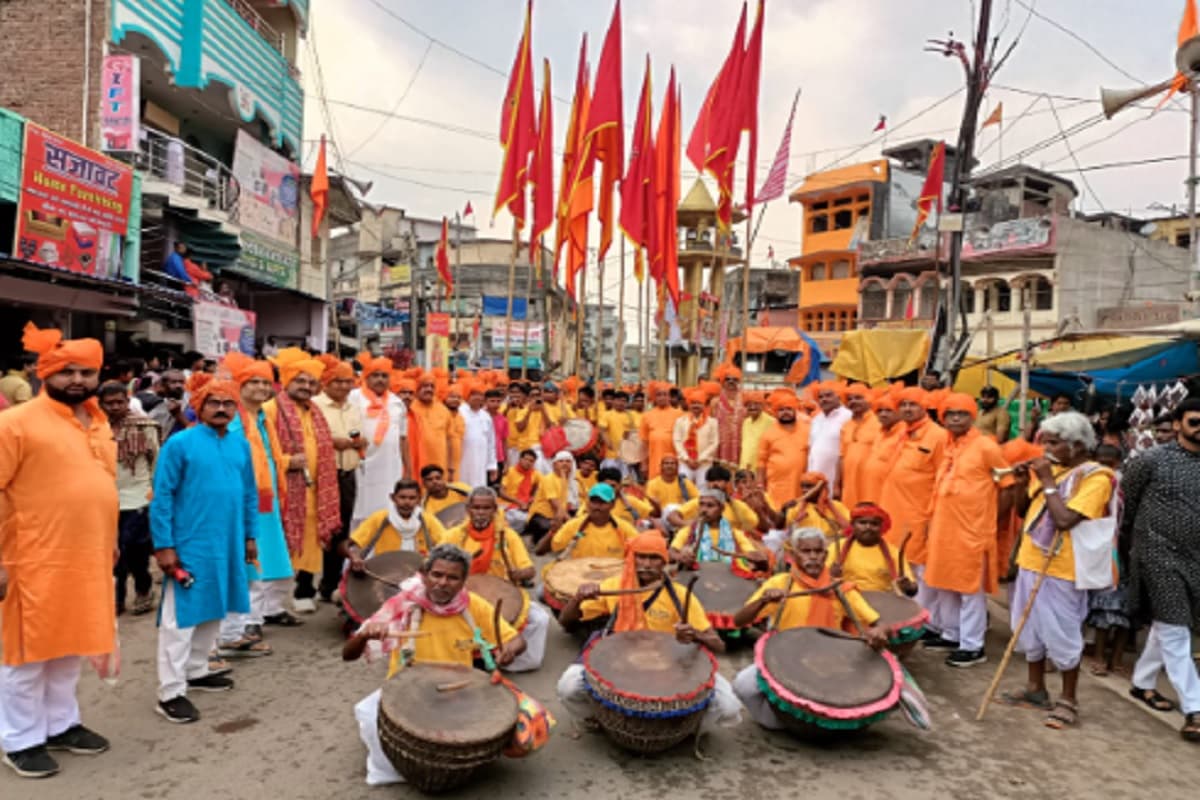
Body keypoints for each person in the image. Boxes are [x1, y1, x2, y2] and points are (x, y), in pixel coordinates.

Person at [0, 324, 115, 778]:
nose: (77, 380)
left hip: (87, 556)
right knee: (26, 655)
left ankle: (61, 724)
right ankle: (20, 739)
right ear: (43, 372)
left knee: (71, 647)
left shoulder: (99, 421)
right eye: (66, 371)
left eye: (86, 372)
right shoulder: (15, 423)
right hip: (29, 557)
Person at [344, 544, 525, 786]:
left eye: (452, 577)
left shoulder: (474, 605)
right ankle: (390, 770)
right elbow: (348, 655)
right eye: (437, 575)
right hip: (407, 689)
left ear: (463, 582)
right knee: (367, 713)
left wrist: (509, 650)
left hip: (460, 691)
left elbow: (517, 640)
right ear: (425, 575)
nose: (442, 583)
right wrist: (364, 636)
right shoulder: (404, 604)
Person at [555, 531, 742, 733]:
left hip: (669, 665)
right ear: (631, 559)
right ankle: (598, 719)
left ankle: (687, 730)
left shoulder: (680, 595)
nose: (646, 563)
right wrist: (578, 598)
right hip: (619, 660)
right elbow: (565, 622)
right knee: (568, 687)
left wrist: (694, 635)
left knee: (729, 707)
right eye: (641, 556)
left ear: (664, 562)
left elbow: (719, 645)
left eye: (653, 558)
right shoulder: (614, 586)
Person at [150, 378, 258, 724]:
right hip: (189, 544)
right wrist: (164, 546)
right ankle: (170, 691)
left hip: (227, 542)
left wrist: (250, 536)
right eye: (214, 403)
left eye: (228, 404)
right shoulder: (180, 444)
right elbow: (162, 496)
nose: (222, 409)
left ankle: (196, 670)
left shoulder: (240, 445)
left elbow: (248, 494)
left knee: (216, 606)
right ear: (199, 406)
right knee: (180, 618)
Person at [1001, 411, 1114, 729]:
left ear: (1077, 445)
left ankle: (1069, 699)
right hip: (1031, 561)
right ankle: (1035, 690)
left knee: (1062, 634)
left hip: (1062, 567)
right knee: (1029, 628)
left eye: (1053, 443)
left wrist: (1048, 481)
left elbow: (1065, 520)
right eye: (1044, 442)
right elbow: (1026, 514)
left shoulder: (1097, 477)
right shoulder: (1053, 471)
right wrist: (1024, 485)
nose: (1045, 449)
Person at [731, 527, 887, 730]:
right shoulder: (780, 583)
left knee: (885, 694)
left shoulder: (840, 588)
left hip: (832, 660)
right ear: (794, 555)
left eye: (817, 551)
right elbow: (739, 621)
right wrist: (762, 600)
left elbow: (878, 622)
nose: (812, 557)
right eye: (806, 551)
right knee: (743, 685)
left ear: (826, 554)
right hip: (785, 658)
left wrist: (880, 631)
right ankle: (778, 722)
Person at [1125, 398, 1200, 742]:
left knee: (1169, 624)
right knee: (1175, 628)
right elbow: (1130, 502)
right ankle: (1195, 709)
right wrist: (1133, 546)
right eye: (1195, 421)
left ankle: (1142, 683)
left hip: (1195, 558)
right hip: (1157, 553)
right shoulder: (1152, 459)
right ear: (1179, 422)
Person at [216, 354, 298, 655]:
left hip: (264, 501)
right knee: (244, 565)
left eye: (266, 382)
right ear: (240, 385)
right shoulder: (233, 420)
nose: (262, 388)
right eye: (255, 382)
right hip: (241, 503)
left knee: (258, 564)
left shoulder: (262, 418)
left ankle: (246, 625)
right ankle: (231, 633)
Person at [922, 393, 1010, 668]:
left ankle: (973, 645)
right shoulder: (948, 446)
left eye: (961, 414)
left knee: (969, 589)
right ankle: (951, 634)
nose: (956, 418)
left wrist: (993, 522)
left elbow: (1008, 484)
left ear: (972, 417)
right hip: (944, 530)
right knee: (944, 584)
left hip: (973, 531)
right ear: (943, 418)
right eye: (950, 414)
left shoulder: (986, 446)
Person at [265, 349, 341, 613]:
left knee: (310, 545)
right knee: (279, 547)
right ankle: (266, 609)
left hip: (314, 492)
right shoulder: (271, 409)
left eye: (311, 382)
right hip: (283, 493)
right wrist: (286, 462)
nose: (306, 387)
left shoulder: (315, 412)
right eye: (300, 381)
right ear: (287, 381)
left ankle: (301, 592)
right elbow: (261, 453)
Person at [442, 488, 548, 672]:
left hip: (503, 595)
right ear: (468, 509)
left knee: (540, 619)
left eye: (486, 508)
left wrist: (519, 574)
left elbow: (529, 570)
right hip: (460, 595)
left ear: (495, 510)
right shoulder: (453, 536)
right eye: (476, 508)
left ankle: (511, 661)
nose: (480, 512)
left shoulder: (508, 536)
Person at [878, 387, 948, 606]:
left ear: (924, 406)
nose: (907, 409)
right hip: (893, 512)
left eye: (913, 404)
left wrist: (933, 517)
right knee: (898, 565)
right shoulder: (902, 433)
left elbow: (941, 479)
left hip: (919, 514)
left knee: (919, 569)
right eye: (903, 405)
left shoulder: (938, 436)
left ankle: (923, 619)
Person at [99, 382, 160, 616]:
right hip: (105, 499)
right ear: (100, 405)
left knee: (135, 550)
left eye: (120, 402)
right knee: (112, 553)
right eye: (110, 403)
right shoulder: (94, 428)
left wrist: (155, 494)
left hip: (137, 498)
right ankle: (117, 598)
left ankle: (143, 589)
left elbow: (156, 461)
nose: (115, 407)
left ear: (128, 401)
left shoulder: (146, 427)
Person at [313, 358, 365, 603]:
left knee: (341, 531)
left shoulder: (352, 407)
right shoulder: (314, 406)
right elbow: (310, 437)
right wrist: (334, 442)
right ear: (326, 383)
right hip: (324, 475)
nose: (344, 386)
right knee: (317, 531)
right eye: (339, 381)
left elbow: (359, 434)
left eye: (348, 382)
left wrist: (359, 442)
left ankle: (330, 585)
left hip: (347, 475)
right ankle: (304, 585)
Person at [345, 355, 404, 531]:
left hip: (389, 467)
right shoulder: (353, 398)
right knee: (359, 510)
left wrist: (406, 468)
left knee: (386, 509)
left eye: (384, 376)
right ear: (366, 377)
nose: (380, 379)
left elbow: (403, 438)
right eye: (375, 375)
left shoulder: (397, 402)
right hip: (360, 466)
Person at [343, 479, 447, 564]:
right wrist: (355, 557)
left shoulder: (428, 520)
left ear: (419, 500)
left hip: (419, 573)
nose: (407, 502)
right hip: (385, 573)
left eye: (412, 498)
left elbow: (447, 543)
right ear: (393, 498)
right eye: (402, 497)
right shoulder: (379, 518)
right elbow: (348, 544)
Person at [669, 489, 770, 574]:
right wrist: (681, 557)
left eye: (710, 506)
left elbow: (751, 553)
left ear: (721, 508)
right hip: (698, 578)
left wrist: (754, 557)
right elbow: (672, 552)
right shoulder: (689, 531)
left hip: (728, 580)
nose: (704, 510)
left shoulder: (735, 534)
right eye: (701, 505)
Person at [830, 504, 917, 594]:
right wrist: (830, 575)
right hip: (845, 598)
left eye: (874, 524)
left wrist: (907, 586)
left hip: (882, 602)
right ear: (852, 525)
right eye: (863, 523)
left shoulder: (893, 552)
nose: (868, 527)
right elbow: (818, 579)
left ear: (881, 527)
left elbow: (912, 589)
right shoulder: (837, 547)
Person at [546, 484, 639, 561]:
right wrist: (552, 532)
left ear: (613, 505)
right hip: (580, 576)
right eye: (594, 502)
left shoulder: (624, 528)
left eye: (603, 502)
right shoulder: (574, 525)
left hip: (613, 577)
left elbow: (640, 551)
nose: (597, 506)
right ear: (587, 503)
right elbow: (541, 550)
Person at [757, 389, 812, 507]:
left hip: (801, 483)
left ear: (795, 410)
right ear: (775, 412)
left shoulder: (808, 430)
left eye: (788, 409)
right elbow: (761, 461)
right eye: (781, 410)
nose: (785, 412)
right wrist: (760, 483)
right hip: (777, 484)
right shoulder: (768, 433)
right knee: (778, 512)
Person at [407, 373, 458, 481]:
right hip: (416, 464)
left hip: (439, 465)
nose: (429, 389)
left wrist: (451, 468)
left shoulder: (443, 410)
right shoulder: (410, 408)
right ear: (417, 388)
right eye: (425, 386)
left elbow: (450, 440)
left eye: (431, 386)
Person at [837, 383, 879, 508]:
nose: (853, 401)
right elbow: (842, 456)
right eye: (849, 399)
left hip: (871, 483)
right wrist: (838, 484)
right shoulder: (846, 425)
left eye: (858, 398)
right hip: (849, 483)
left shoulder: (879, 423)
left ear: (869, 399)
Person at [525, 451, 579, 547]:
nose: (565, 464)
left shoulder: (568, 480)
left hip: (558, 515)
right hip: (540, 516)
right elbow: (556, 505)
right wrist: (571, 523)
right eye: (561, 461)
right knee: (550, 527)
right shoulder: (548, 479)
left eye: (568, 461)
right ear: (554, 465)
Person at [807, 381, 852, 489]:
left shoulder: (848, 417)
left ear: (838, 396)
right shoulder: (816, 419)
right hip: (814, 479)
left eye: (828, 395)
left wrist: (839, 483)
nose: (824, 399)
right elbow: (811, 450)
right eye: (820, 397)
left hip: (836, 480)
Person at [673, 387, 719, 488]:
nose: (696, 406)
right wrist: (686, 459)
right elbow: (677, 441)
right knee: (684, 488)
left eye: (699, 403)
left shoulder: (712, 422)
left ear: (704, 405)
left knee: (703, 489)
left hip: (704, 463)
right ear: (689, 404)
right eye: (693, 403)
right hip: (685, 462)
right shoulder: (680, 421)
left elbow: (714, 443)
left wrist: (699, 460)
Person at [638, 381, 683, 480]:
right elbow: (644, 442)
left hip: (675, 459)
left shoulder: (680, 414)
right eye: (659, 395)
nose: (662, 397)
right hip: (654, 459)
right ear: (654, 398)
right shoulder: (647, 415)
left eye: (665, 394)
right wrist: (644, 463)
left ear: (669, 397)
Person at [458, 381, 497, 488]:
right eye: (474, 394)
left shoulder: (485, 416)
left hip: (481, 463)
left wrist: (492, 465)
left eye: (480, 394)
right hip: (462, 461)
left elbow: (491, 443)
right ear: (467, 395)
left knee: (478, 489)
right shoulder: (459, 413)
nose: (477, 397)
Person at [644, 455, 698, 520]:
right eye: (666, 463)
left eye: (672, 463)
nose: (669, 466)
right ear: (661, 466)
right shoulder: (652, 483)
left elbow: (697, 499)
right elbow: (648, 506)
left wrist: (686, 506)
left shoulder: (684, 482)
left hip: (680, 514)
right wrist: (656, 506)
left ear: (677, 467)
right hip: (661, 516)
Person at [499, 449, 541, 533]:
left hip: (525, 506)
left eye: (531, 461)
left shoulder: (535, 474)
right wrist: (518, 502)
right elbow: (501, 492)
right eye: (525, 459)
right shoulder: (510, 471)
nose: (528, 462)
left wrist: (532, 497)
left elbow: (540, 486)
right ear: (520, 459)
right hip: (508, 504)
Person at [711, 365, 746, 466]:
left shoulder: (745, 399)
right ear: (722, 382)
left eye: (735, 379)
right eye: (727, 379)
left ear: (738, 382)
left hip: (739, 443)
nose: (731, 381)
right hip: (721, 444)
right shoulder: (715, 401)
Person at [148, 369, 189, 442]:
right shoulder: (155, 406)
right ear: (163, 385)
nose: (178, 385)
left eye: (181, 382)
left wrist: (179, 415)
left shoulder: (193, 407)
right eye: (174, 382)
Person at [738, 391, 774, 472]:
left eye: (756, 404)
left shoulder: (771, 421)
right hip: (744, 466)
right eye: (749, 405)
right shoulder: (746, 422)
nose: (752, 407)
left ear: (762, 405)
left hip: (761, 469)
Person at [485, 388, 509, 485]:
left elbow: (504, 441)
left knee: (495, 487)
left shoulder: (503, 419)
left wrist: (506, 462)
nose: (495, 404)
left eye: (498, 401)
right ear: (485, 401)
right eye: (492, 401)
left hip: (498, 458)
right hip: (483, 457)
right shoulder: (481, 417)